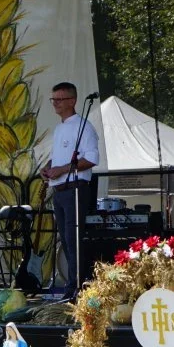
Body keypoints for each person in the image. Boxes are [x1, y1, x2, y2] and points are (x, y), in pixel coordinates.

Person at [41, 82, 100, 300]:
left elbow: (91, 158)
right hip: (59, 189)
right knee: (65, 240)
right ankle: (72, 284)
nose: (55, 103)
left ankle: (77, 286)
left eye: (60, 99)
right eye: (53, 99)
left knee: (73, 237)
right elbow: (63, 157)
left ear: (72, 101)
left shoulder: (83, 126)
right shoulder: (60, 128)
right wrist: (49, 167)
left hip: (75, 188)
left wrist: (62, 169)